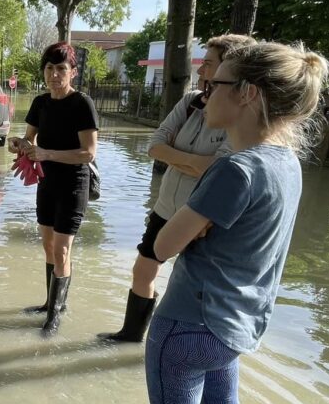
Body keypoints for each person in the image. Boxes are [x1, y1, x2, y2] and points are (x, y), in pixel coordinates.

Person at [106, 42, 329, 404]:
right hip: (238, 327)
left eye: (218, 83)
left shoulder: (234, 169)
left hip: (187, 326)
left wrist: (193, 230)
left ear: (248, 94)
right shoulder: (286, 164)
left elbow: (162, 246)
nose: (206, 92)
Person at [100, 34, 255, 344]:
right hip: (165, 208)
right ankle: (132, 337)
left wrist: (181, 159)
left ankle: (177, 346)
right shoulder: (190, 103)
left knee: (189, 287)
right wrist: (196, 163)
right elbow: (155, 146)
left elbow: (220, 168)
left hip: (202, 218)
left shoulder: (239, 119)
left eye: (208, 65)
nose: (200, 72)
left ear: (230, 69)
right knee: (143, 270)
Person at [7, 42, 98, 335]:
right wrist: (19, 145)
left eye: (61, 69)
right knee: (48, 246)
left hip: (74, 184)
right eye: (49, 68)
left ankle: (55, 315)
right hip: (46, 184)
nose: (54, 75)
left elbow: (88, 153)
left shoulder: (82, 104)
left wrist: (46, 154)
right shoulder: (40, 103)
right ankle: (51, 302)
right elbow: (29, 139)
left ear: (73, 72)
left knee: (61, 250)